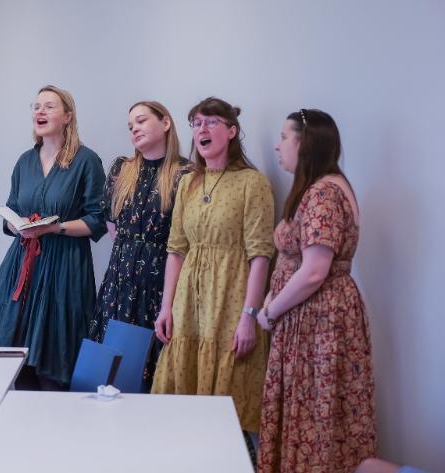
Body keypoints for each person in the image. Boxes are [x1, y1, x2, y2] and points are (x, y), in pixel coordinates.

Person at [257, 109, 375, 473]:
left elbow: (313, 272)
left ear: (304, 142)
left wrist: (270, 310)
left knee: (314, 412)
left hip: (317, 319)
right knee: (313, 412)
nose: (277, 146)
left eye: (284, 137)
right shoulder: (322, 187)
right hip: (310, 315)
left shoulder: (323, 193)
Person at [152, 97, 274, 441]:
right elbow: (176, 249)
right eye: (196, 123)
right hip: (189, 301)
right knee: (182, 403)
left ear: (231, 131)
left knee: (229, 402)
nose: (201, 129)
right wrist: (166, 307)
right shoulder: (188, 183)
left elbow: (260, 255)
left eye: (210, 122)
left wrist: (250, 316)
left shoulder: (253, 183)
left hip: (230, 300)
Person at [0, 85, 106, 389]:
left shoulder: (86, 161)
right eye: (36, 106)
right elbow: (12, 211)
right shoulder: (24, 161)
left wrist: (54, 228)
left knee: (54, 367)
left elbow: (97, 220)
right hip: (22, 267)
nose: (40, 111)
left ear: (67, 116)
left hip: (64, 269)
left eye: (49, 106)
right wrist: (18, 226)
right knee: (16, 367)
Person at [88, 101, 191, 388]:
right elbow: (111, 225)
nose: (135, 128)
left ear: (166, 123)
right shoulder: (122, 169)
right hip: (119, 284)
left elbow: (185, 240)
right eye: (131, 125)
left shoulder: (185, 174)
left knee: (149, 372)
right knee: (109, 373)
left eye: (142, 121)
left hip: (160, 286)